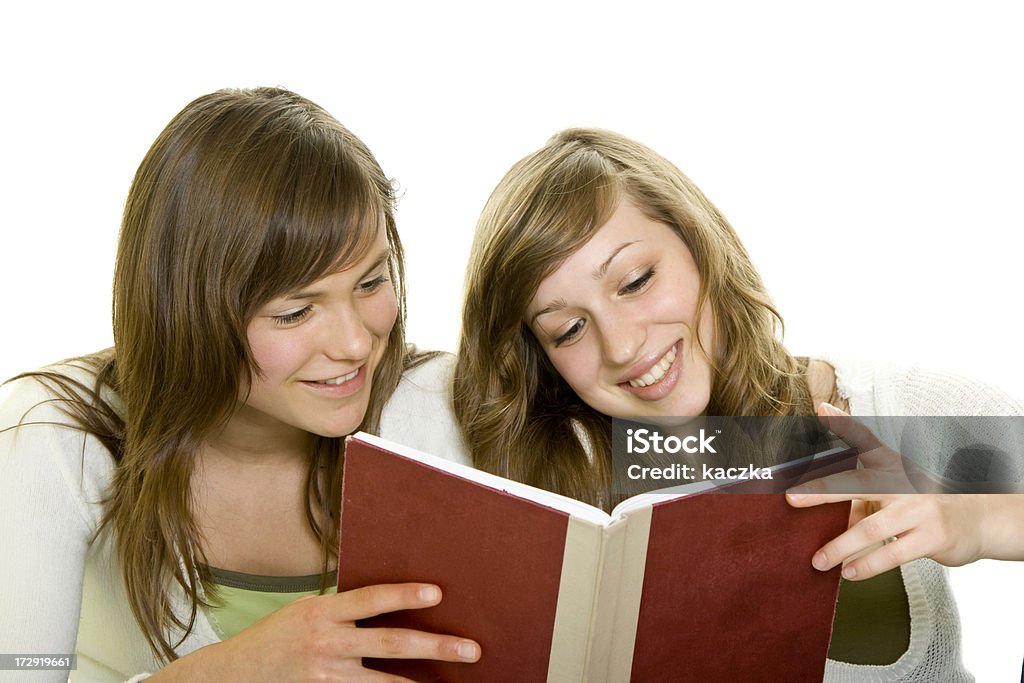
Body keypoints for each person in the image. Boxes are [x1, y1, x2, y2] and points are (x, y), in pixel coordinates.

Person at [453, 127, 1023, 681]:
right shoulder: (558, 501)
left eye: (635, 281)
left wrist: (979, 520)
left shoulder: (888, 407)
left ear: (699, 244)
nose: (623, 345)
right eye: (570, 328)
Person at [0, 87, 479, 682]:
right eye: (294, 312)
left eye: (371, 281)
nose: (356, 344)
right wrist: (230, 671)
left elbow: (622, 470)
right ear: (186, 310)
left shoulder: (442, 403)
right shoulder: (52, 435)